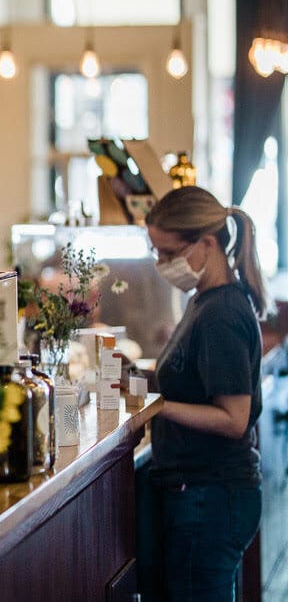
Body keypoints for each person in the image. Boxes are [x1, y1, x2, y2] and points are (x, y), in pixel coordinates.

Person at [145, 186, 266, 600]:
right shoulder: (206, 300)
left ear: (207, 244)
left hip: (212, 498)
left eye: (168, 253)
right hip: (206, 496)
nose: (162, 264)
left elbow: (233, 419)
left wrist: (157, 407)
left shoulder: (222, 314)